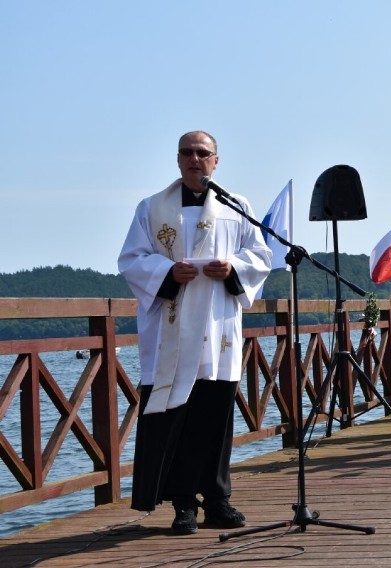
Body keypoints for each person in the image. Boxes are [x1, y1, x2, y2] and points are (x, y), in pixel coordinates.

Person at [118, 131, 272, 535]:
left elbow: (261, 254)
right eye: (187, 152)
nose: (194, 159)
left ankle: (218, 500)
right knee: (178, 419)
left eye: (202, 153)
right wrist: (167, 272)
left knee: (216, 417)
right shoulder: (152, 208)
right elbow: (132, 259)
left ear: (216, 161)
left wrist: (233, 268)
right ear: (177, 159)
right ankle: (183, 504)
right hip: (172, 330)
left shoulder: (236, 206)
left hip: (217, 330)